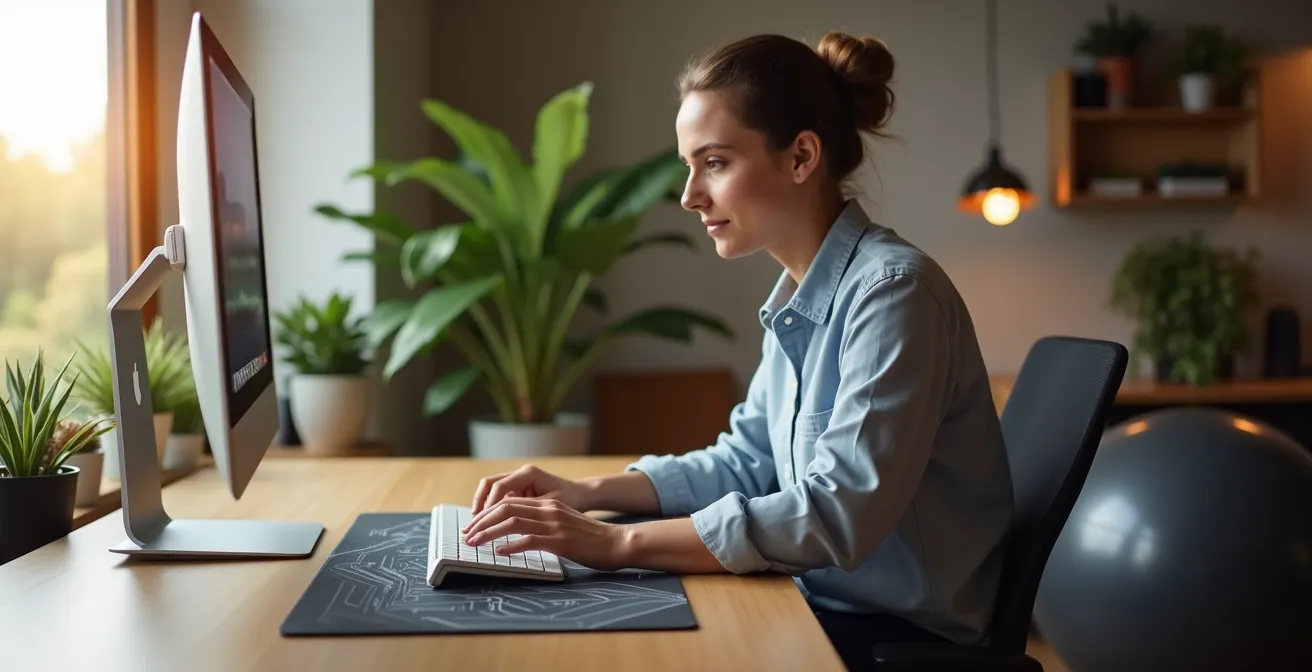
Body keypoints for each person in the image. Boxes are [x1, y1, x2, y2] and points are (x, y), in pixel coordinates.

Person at [459, 31, 1014, 670]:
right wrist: (582, 492)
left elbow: (835, 514)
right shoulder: (801, 295)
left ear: (802, 155)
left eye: (715, 162)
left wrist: (613, 543)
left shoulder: (894, 295)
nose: (690, 195)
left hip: (900, 635)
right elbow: (748, 460)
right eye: (689, 166)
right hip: (819, 598)